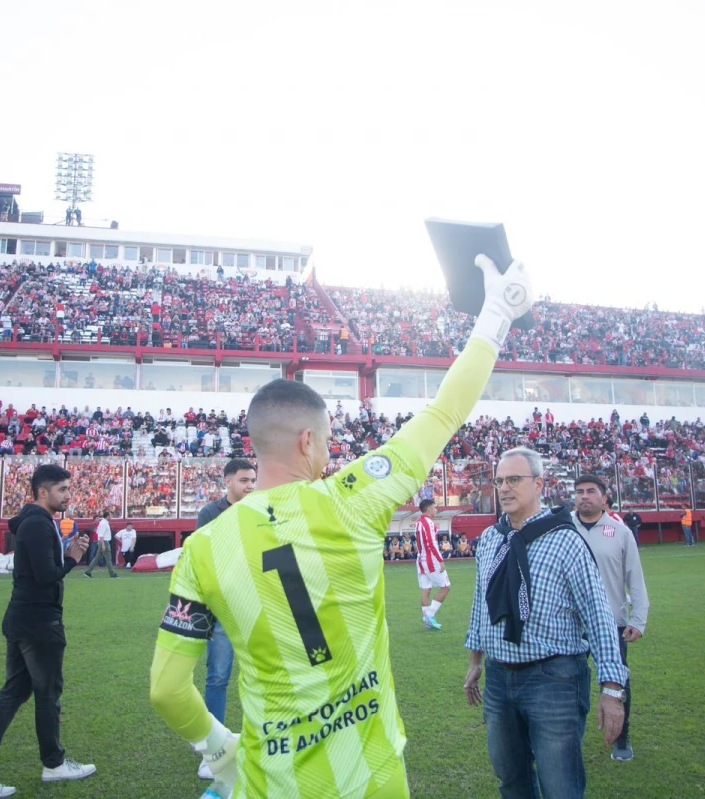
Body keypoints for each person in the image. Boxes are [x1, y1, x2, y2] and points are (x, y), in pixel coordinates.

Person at [150, 254, 537, 798]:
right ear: (308, 441)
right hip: (372, 777)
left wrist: (221, 751)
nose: (330, 454)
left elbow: (167, 691)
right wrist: (496, 312)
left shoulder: (204, 547)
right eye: (328, 442)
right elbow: (446, 412)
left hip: (272, 784)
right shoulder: (351, 500)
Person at [463, 450, 627, 799]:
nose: (504, 488)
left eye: (514, 480)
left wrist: (612, 690)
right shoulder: (493, 539)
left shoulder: (566, 541)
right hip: (498, 679)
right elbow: (481, 602)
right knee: (511, 780)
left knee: (560, 787)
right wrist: (476, 661)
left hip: (554, 680)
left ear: (539, 484)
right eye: (499, 481)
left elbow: (598, 616)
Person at [0, 464, 96, 797]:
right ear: (43, 492)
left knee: (15, 693)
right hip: (38, 624)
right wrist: (72, 558)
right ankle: (53, 764)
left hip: (24, 619)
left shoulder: (35, 522)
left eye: (68, 489)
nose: (67, 495)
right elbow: (46, 575)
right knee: (47, 693)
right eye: (62, 489)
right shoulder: (37, 523)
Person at [572, 474, 650, 763]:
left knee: (617, 683)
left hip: (611, 622)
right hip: (570, 623)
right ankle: (568, 739)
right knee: (567, 683)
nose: (584, 497)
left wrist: (638, 620)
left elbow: (636, 579)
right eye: (579, 491)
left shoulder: (620, 532)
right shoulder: (562, 528)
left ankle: (622, 736)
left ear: (604, 497)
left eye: (591, 491)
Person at [189, 458, 257, 781]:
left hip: (255, 608)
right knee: (218, 676)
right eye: (244, 480)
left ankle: (264, 742)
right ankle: (212, 749)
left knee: (264, 675)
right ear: (227, 482)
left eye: (253, 480)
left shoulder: (258, 509)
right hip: (221, 611)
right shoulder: (209, 514)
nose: (250, 486)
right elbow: (205, 559)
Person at [415, 498, 449, 631]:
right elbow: (431, 543)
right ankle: (430, 616)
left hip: (421, 560)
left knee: (426, 591)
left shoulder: (419, 523)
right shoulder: (428, 522)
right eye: (435, 507)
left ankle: (427, 622)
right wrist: (440, 560)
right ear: (428, 508)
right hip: (430, 560)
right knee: (445, 587)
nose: (436, 510)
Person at [83, 511, 118, 578]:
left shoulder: (102, 523)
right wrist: (103, 544)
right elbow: (101, 534)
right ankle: (112, 574)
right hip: (104, 542)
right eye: (110, 515)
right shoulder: (104, 524)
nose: (111, 517)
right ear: (107, 516)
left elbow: (98, 532)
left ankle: (88, 572)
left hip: (102, 542)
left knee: (97, 558)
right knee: (108, 558)